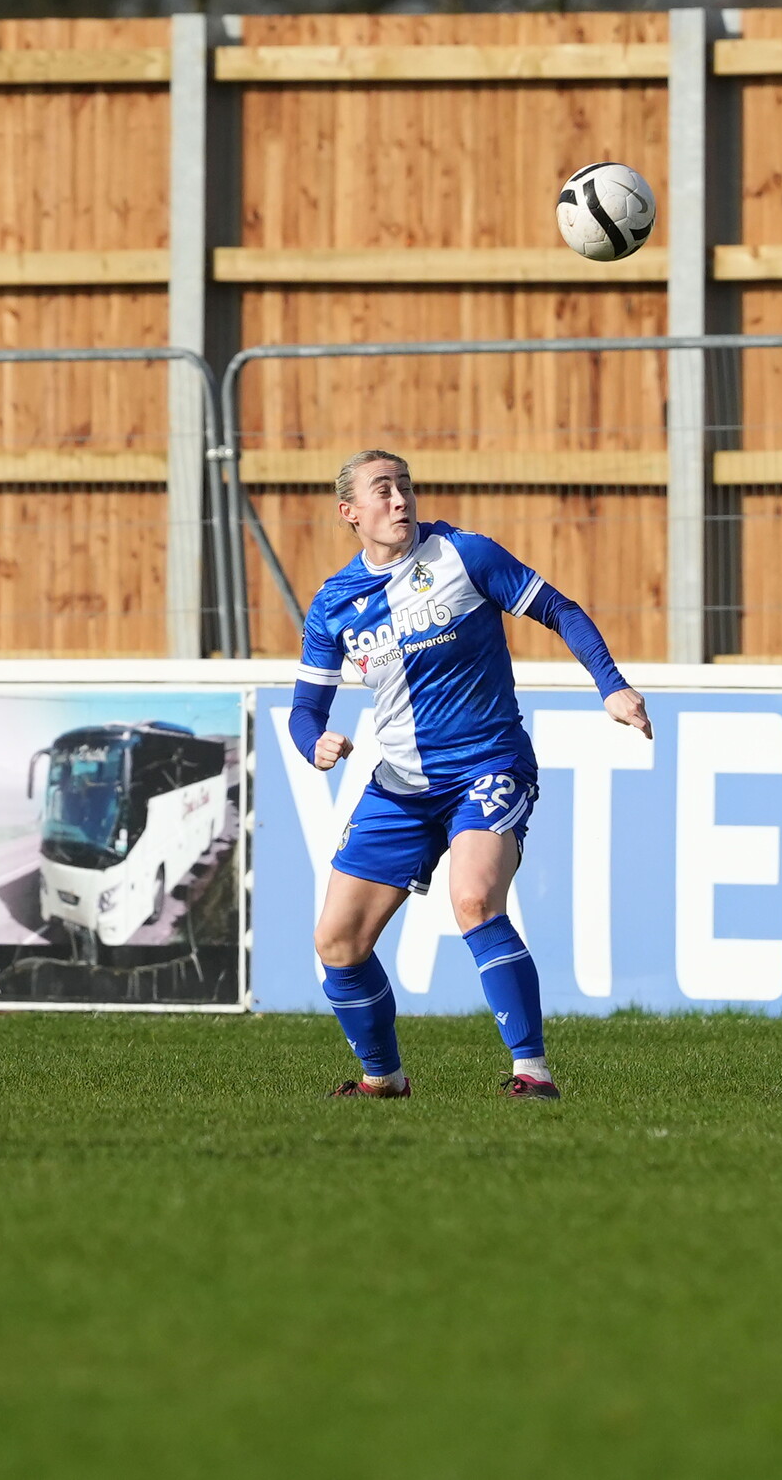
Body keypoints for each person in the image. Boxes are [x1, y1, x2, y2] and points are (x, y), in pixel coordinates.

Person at [288, 449, 653, 1100]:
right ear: (350, 512)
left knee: (474, 898)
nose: (400, 499)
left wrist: (612, 686)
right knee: (336, 942)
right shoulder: (334, 604)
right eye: (383, 490)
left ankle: (532, 1072)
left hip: (487, 765)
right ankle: (384, 1078)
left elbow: (561, 609)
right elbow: (304, 710)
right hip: (400, 787)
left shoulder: (464, 554)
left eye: (405, 486)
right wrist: (315, 742)